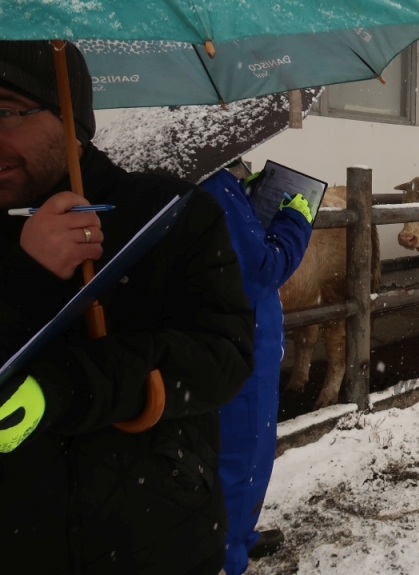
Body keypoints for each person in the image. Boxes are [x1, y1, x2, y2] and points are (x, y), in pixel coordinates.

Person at [0, 40, 254, 574]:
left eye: (4, 112)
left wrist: (79, 384)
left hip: (162, 540)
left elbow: (223, 359)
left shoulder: (170, 213)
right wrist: (25, 276)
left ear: (71, 117)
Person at [199, 162, 312, 573]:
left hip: (225, 336)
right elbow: (264, 266)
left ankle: (238, 534)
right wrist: (295, 218)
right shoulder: (212, 185)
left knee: (235, 449)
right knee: (242, 450)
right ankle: (227, 556)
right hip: (240, 338)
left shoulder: (210, 183)